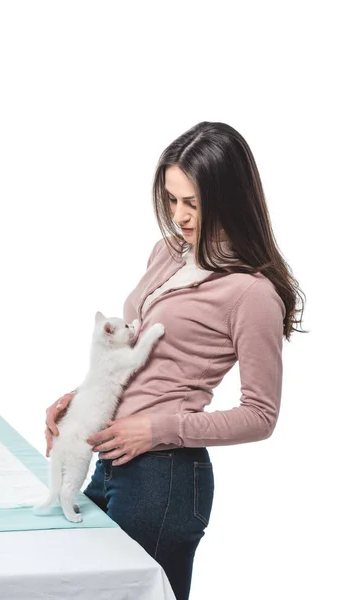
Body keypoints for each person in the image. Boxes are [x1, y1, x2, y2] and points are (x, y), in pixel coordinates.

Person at [44, 121, 306, 600]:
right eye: (172, 199)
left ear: (229, 197)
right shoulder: (166, 254)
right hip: (109, 460)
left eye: (194, 202)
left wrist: (158, 428)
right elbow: (144, 363)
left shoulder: (252, 292)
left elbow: (261, 416)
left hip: (163, 478)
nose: (180, 216)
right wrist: (80, 401)